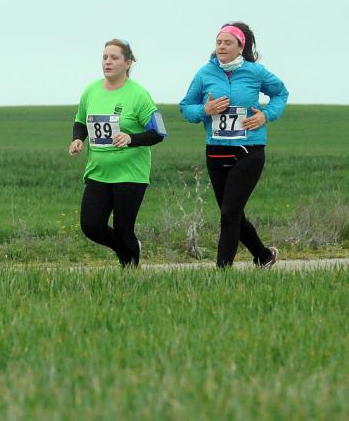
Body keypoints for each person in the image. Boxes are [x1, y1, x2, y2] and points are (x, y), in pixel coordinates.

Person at [180, 22, 288, 268]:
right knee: (232, 213)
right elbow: (186, 107)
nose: (221, 46)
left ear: (241, 47)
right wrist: (204, 110)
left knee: (229, 213)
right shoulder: (204, 74)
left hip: (249, 149)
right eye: (219, 42)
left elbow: (281, 93)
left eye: (228, 42)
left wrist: (265, 114)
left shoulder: (256, 72)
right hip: (216, 150)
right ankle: (263, 256)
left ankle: (222, 271)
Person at [69, 39, 166, 267]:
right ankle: (129, 250)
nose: (108, 62)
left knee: (124, 229)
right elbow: (80, 121)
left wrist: (131, 138)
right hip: (98, 171)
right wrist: (77, 139)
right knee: (91, 226)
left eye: (114, 58)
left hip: (130, 172)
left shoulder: (139, 95)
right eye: (105, 57)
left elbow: (159, 132)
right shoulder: (91, 91)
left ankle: (130, 273)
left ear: (128, 62)